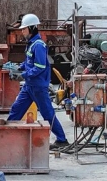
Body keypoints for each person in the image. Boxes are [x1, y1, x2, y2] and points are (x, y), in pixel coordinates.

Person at [7, 13, 70, 150]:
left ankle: (62, 140)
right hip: (30, 86)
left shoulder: (39, 45)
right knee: (16, 109)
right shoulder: (31, 44)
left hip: (38, 87)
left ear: (31, 28)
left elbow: (40, 67)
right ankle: (6, 135)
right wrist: (19, 67)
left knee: (47, 113)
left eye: (24, 29)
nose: (22, 31)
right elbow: (29, 61)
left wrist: (23, 75)